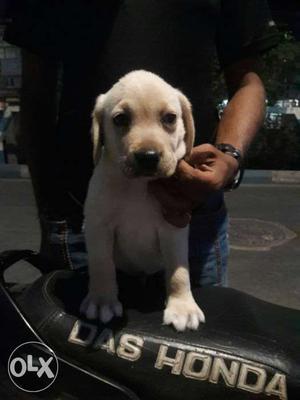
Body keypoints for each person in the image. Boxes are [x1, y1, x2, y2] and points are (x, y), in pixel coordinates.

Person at [3, 0, 278, 285]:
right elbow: (36, 97)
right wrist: (50, 215)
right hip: (85, 222)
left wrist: (229, 156)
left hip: (190, 215)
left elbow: (249, 84)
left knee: (192, 321)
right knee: (91, 321)